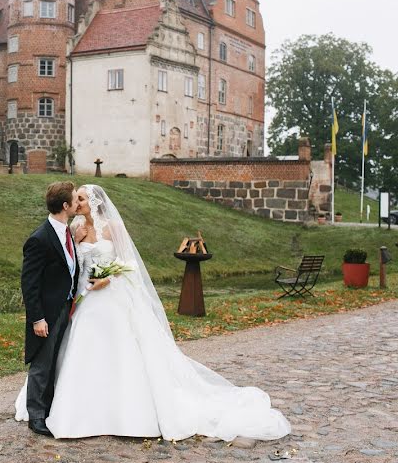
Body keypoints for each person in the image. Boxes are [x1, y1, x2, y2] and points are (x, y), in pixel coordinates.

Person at [15, 184, 291, 441]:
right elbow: (70, 266)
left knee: (116, 349)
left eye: (82, 198)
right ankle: (63, 405)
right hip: (81, 301)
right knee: (71, 349)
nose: (78, 202)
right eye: (76, 199)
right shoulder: (74, 230)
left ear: (94, 202)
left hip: (109, 296)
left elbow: (129, 263)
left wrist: (108, 277)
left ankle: (118, 411)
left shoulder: (113, 227)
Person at [19, 181, 80, 436]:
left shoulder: (67, 232)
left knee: (57, 360)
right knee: (42, 364)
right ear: (65, 205)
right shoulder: (39, 238)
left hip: (65, 308)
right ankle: (36, 417)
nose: (78, 203)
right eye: (76, 199)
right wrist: (37, 319)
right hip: (47, 313)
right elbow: (29, 283)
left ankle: (50, 409)